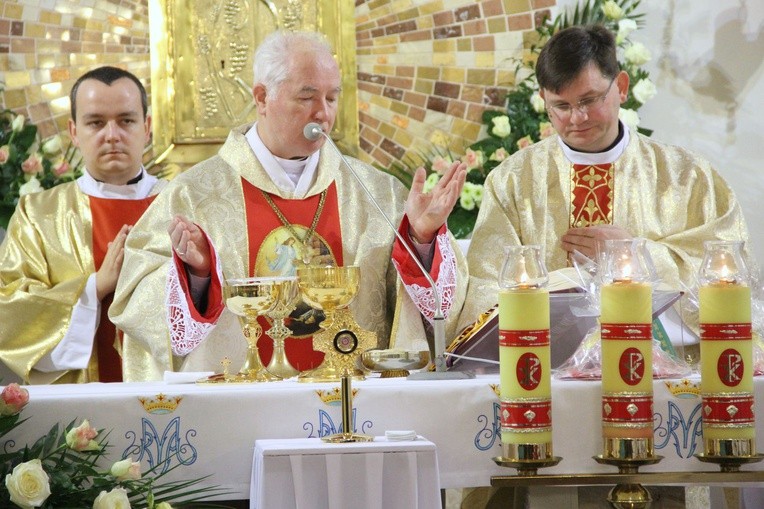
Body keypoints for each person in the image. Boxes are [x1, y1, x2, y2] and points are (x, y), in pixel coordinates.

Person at [110, 30, 467, 380]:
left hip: (353, 398)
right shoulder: (191, 196)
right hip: (239, 405)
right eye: (307, 97)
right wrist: (199, 276)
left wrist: (420, 238)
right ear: (262, 98)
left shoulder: (376, 191)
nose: (323, 114)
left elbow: (430, 308)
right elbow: (139, 305)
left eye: (331, 98)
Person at [458, 24, 753, 332]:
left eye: (589, 100)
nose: (577, 117)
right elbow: (485, 289)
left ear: (621, 87)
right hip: (548, 368)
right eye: (561, 105)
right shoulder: (513, 182)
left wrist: (635, 254)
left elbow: (731, 266)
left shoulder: (687, 175)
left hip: (661, 367)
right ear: (544, 100)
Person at [0, 66, 165, 384]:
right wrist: (95, 288)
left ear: (146, 127)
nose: (112, 134)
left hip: (169, 401)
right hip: (78, 411)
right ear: (74, 132)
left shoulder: (183, 202)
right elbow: (8, 305)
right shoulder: (39, 213)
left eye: (126, 120)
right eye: (96, 123)